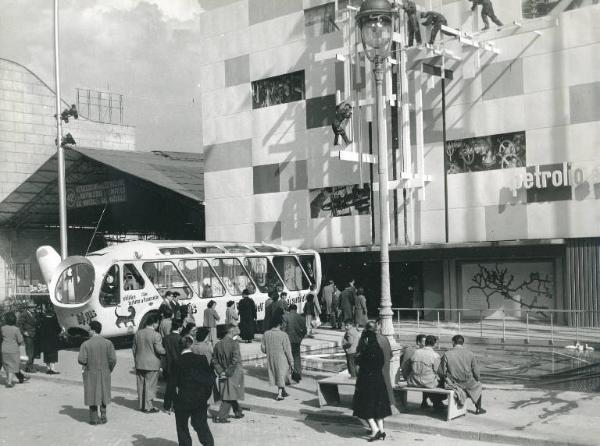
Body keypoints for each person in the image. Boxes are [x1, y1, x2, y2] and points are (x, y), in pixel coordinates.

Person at [352, 322, 391, 441]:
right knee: (378, 405)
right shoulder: (380, 342)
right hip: (379, 378)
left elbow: (359, 361)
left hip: (367, 380)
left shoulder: (365, 344)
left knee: (365, 405)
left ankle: (375, 430)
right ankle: (382, 431)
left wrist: (359, 359)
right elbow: (384, 360)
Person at [174, 336, 215, 446]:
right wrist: (206, 395)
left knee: (182, 427)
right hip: (199, 399)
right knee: (201, 425)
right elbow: (210, 379)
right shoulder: (201, 359)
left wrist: (168, 402)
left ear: (180, 347)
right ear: (191, 345)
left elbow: (171, 384)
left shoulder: (176, 361)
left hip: (182, 399)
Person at [77, 320, 117, 425]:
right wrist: (109, 369)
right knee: (104, 392)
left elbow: (81, 360)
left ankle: (94, 418)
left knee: (92, 394)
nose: (88, 331)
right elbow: (113, 359)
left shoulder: (86, 344)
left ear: (93, 330)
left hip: (91, 372)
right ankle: (103, 416)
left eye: (89, 329)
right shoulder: (108, 343)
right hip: (105, 372)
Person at [438, 334, 486, 414]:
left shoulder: (447, 354)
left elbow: (441, 371)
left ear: (453, 342)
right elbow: (476, 371)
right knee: (478, 385)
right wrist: (477, 379)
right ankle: (478, 408)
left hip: (453, 383)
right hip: (468, 382)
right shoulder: (470, 353)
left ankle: (438, 404)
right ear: (462, 343)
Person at [132, 313, 166, 412]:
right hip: (152, 363)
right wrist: (167, 351)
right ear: (155, 323)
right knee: (150, 385)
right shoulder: (156, 335)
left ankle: (141, 405)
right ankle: (148, 406)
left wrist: (136, 359)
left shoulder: (138, 333)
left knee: (140, 384)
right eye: (157, 323)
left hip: (139, 362)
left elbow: (134, 349)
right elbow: (159, 350)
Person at [211, 324, 245, 423]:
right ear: (231, 330)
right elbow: (235, 360)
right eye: (234, 329)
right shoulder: (234, 344)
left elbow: (214, 359)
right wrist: (228, 372)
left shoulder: (218, 344)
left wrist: (220, 371)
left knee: (229, 391)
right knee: (229, 394)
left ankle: (238, 411)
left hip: (223, 372)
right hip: (233, 372)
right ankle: (222, 416)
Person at [407, 335, 445, 409]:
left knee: (426, 377)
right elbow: (439, 372)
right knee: (440, 381)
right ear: (434, 344)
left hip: (414, 381)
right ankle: (437, 402)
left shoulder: (416, 352)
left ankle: (425, 402)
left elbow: (408, 367)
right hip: (428, 383)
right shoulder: (435, 355)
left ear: (425, 342)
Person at [261, 314, 294, 401]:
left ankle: (283, 391)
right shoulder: (283, 335)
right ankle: (279, 395)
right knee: (281, 375)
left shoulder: (266, 334)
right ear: (280, 324)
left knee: (277, 374)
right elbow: (287, 350)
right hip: (282, 358)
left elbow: (263, 349)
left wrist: (269, 350)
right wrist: (291, 362)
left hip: (271, 358)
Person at [1, 312, 29, 387]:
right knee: (13, 365)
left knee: (7, 365)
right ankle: (10, 382)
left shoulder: (2, 328)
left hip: (4, 349)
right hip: (14, 350)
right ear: (14, 320)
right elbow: (20, 340)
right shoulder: (16, 329)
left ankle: (11, 379)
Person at [401, 334, 429, 407]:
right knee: (427, 376)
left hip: (406, 375)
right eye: (424, 342)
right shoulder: (420, 352)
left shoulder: (408, 349)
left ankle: (424, 401)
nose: (425, 344)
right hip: (411, 377)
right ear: (418, 342)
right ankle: (426, 402)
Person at [163, 320, 183, 414]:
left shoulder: (166, 338)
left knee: (169, 387)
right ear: (179, 328)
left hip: (168, 365)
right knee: (179, 387)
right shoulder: (180, 338)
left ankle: (167, 406)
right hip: (179, 365)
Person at [283, 304, 306, 382]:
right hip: (297, 340)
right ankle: (297, 374)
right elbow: (305, 330)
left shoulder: (285, 317)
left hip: (288, 340)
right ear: (296, 309)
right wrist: (300, 338)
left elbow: (283, 329)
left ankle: (287, 377)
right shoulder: (301, 317)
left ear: (289, 309)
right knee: (296, 356)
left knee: (287, 357)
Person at [375, 319, 395, 407]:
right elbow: (391, 354)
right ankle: (390, 403)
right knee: (387, 384)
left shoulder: (372, 340)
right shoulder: (385, 338)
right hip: (385, 366)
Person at [40, 304, 62, 374]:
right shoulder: (54, 320)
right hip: (53, 340)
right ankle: (52, 369)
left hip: (45, 340)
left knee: (46, 354)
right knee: (53, 354)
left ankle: (47, 368)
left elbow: (41, 330)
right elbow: (58, 329)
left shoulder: (43, 320)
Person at [18, 306, 37, 372]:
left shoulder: (33, 313)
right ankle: (29, 367)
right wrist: (23, 332)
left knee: (33, 351)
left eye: (33, 307)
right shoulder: (24, 314)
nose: (33, 308)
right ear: (28, 308)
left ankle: (30, 366)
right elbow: (19, 324)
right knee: (29, 351)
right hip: (28, 335)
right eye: (31, 307)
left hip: (33, 334)